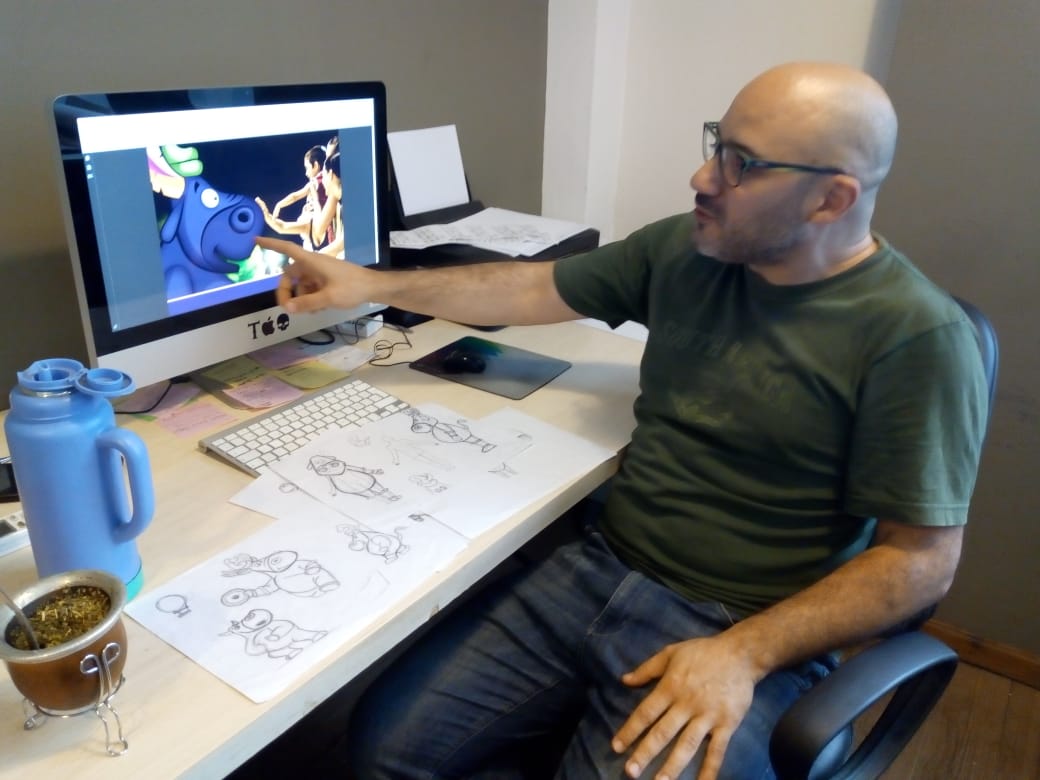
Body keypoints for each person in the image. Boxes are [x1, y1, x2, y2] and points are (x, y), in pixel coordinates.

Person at [256, 61, 989, 780]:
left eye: (741, 164)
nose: (703, 178)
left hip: (743, 625)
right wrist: (369, 284)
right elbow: (530, 289)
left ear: (831, 199)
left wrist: (747, 652)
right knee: (384, 750)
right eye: (717, 144)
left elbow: (919, 561)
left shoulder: (915, 337)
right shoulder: (685, 250)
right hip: (600, 566)